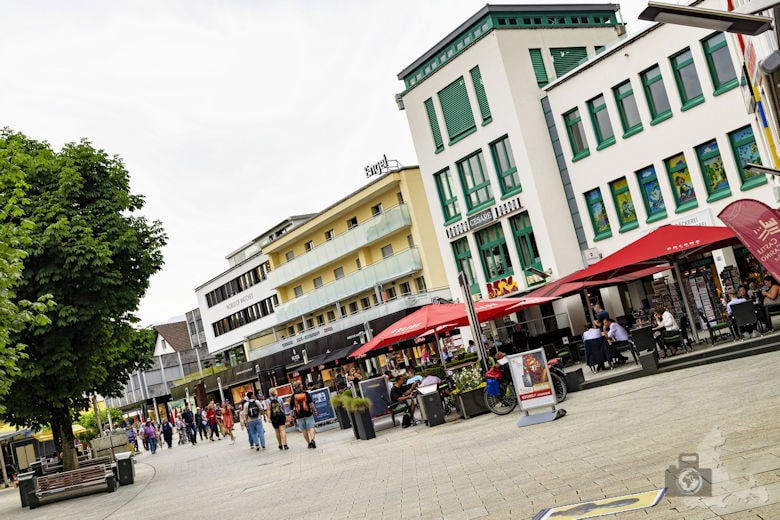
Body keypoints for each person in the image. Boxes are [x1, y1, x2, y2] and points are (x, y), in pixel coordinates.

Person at [290, 381, 317, 448]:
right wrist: (314, 410)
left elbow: (291, 408)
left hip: (299, 415)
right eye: (301, 384)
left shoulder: (293, 396)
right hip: (307, 413)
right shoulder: (305, 393)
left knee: (304, 430)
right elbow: (311, 403)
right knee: (311, 427)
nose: (302, 385)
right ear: (300, 386)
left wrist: (291, 417)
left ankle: (309, 443)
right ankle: (313, 440)